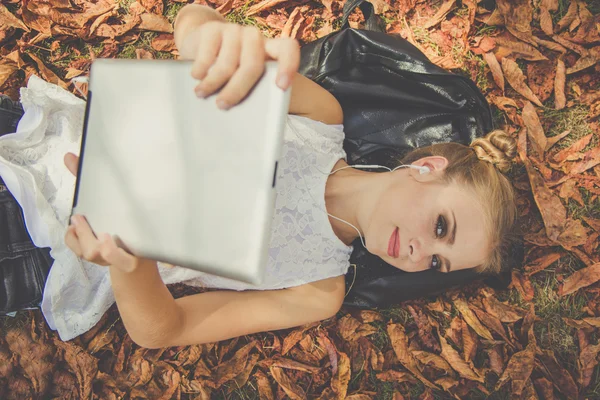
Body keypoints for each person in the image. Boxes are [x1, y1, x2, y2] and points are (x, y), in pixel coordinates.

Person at [2, 4, 517, 347]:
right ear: (427, 168)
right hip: (38, 140)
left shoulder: (319, 291)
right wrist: (207, 36)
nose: (418, 252)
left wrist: (131, 259)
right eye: (442, 228)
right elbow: (194, 23)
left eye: (436, 262)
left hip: (44, 253)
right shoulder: (321, 118)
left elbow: (167, 329)